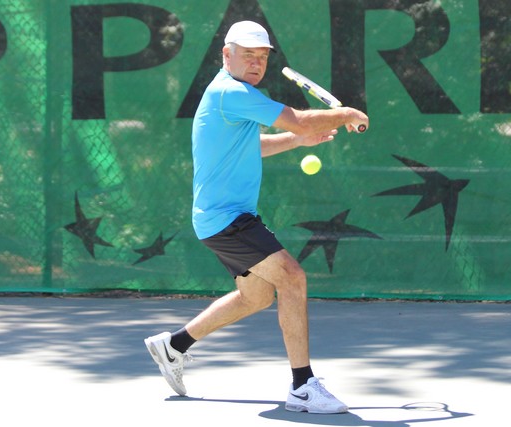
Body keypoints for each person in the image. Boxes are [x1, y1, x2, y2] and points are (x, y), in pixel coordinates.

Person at [145, 20, 369, 414]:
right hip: (227, 218)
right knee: (293, 278)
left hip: (223, 218)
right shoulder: (231, 92)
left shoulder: (231, 95)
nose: (256, 63)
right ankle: (303, 387)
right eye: (247, 55)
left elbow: (252, 145)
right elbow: (299, 118)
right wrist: (345, 114)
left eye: (262, 57)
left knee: (258, 295)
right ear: (226, 55)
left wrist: (297, 140)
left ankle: (174, 345)